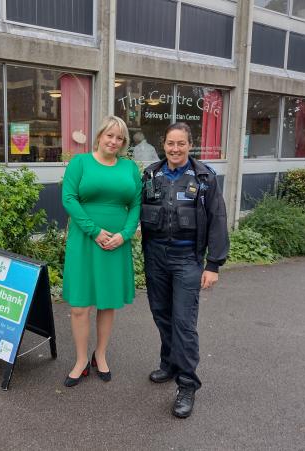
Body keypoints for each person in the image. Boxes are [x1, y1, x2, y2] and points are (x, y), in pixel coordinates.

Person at [140, 122, 229, 418]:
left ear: (190, 145)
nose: (175, 149)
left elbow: (217, 218)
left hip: (187, 259)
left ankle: (187, 383)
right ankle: (169, 363)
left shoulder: (204, 177)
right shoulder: (151, 174)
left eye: (181, 143)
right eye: (170, 143)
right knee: (161, 315)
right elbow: (133, 208)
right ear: (163, 144)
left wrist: (213, 264)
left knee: (183, 323)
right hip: (155, 258)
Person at [61, 115, 142, 387]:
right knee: (80, 306)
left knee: (107, 303)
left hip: (115, 244)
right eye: (110, 135)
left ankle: (101, 354)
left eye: (120, 138)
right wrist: (94, 230)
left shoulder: (129, 168)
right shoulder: (80, 162)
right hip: (85, 241)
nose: (114, 141)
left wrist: (125, 235)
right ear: (99, 136)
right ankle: (81, 359)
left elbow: (136, 206)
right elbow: (69, 198)